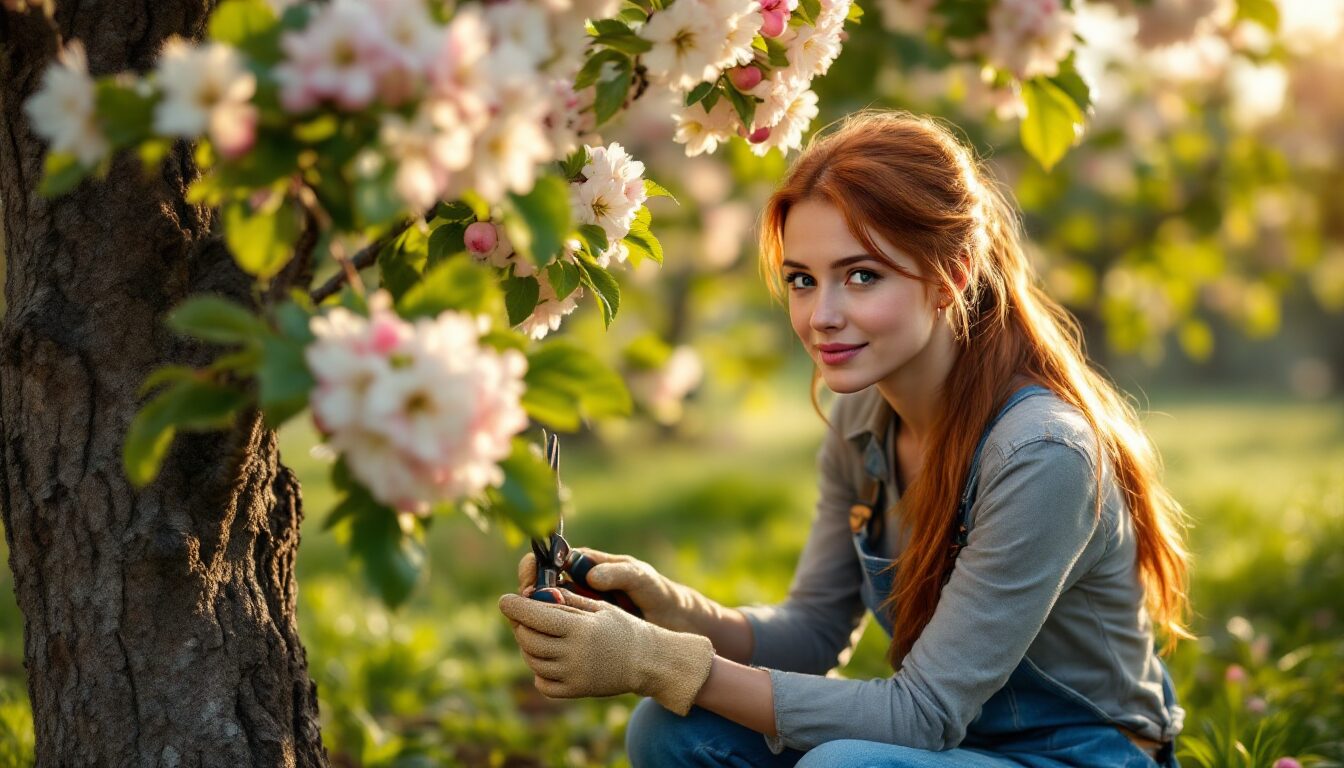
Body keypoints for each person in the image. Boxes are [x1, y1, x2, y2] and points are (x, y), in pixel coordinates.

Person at [497, 110, 1190, 767]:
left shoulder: (1041, 454)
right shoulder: (864, 420)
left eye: (862, 276)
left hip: (1081, 754)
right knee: (674, 728)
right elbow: (812, 636)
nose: (822, 315)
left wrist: (662, 662)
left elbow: (922, 714)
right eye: (803, 280)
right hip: (954, 749)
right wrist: (666, 611)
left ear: (950, 276)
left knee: (844, 763)